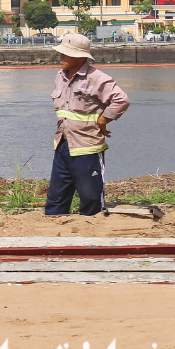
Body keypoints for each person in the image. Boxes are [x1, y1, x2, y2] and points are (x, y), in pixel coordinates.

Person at [45, 33, 129, 216]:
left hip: (87, 148)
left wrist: (103, 119)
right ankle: (55, 233)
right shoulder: (60, 76)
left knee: (91, 199)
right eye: (61, 53)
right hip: (63, 145)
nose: (61, 57)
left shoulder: (97, 78)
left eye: (66, 54)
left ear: (81, 57)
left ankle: (92, 234)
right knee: (56, 198)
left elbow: (121, 100)